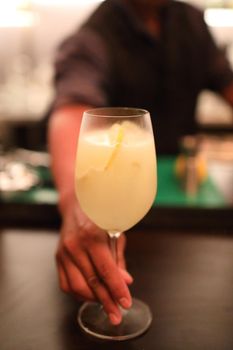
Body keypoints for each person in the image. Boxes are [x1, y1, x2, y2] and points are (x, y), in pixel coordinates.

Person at [48, 0, 233, 325]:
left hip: (175, 208)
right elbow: (72, 111)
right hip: (114, 191)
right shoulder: (94, 35)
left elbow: (226, 81)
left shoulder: (190, 20)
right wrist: (74, 201)